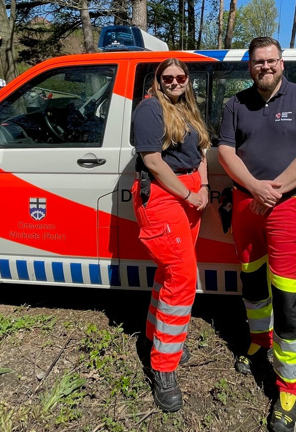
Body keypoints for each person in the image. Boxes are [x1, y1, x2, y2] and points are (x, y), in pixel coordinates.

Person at [218, 37, 296, 432]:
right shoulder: (235, 103)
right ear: (250, 66)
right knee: (251, 280)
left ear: (282, 63)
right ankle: (259, 340)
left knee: (287, 292)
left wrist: (273, 188)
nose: (265, 67)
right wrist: (255, 187)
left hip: (288, 206)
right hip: (247, 205)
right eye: (258, 62)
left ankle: (291, 385)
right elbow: (226, 152)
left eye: (271, 61)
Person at [131, 58, 210, 413]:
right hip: (166, 195)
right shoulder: (150, 108)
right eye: (168, 77)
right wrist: (189, 193)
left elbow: (202, 151)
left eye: (180, 76)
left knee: (169, 274)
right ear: (158, 80)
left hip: (188, 192)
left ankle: (158, 338)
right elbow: (153, 162)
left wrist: (204, 185)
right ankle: (163, 365)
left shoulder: (187, 108)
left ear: (186, 79)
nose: (175, 81)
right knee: (181, 278)